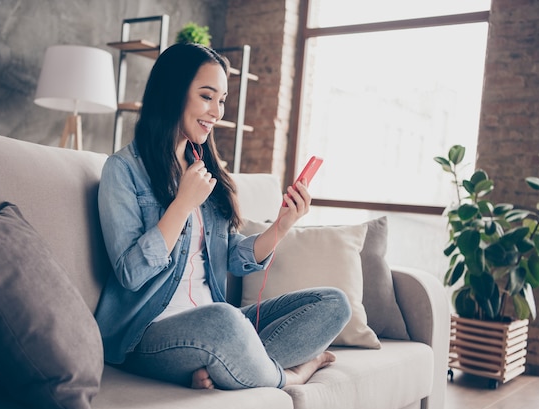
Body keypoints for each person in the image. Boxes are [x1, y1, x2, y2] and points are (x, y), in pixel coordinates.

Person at [94, 42, 352, 390]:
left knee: (333, 303)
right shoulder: (123, 170)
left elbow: (230, 255)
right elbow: (130, 273)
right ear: (173, 93)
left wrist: (283, 225)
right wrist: (181, 205)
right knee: (226, 322)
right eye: (206, 96)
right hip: (147, 333)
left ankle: (227, 365)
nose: (217, 111)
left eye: (222, 99)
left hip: (215, 321)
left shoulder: (204, 168)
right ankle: (291, 374)